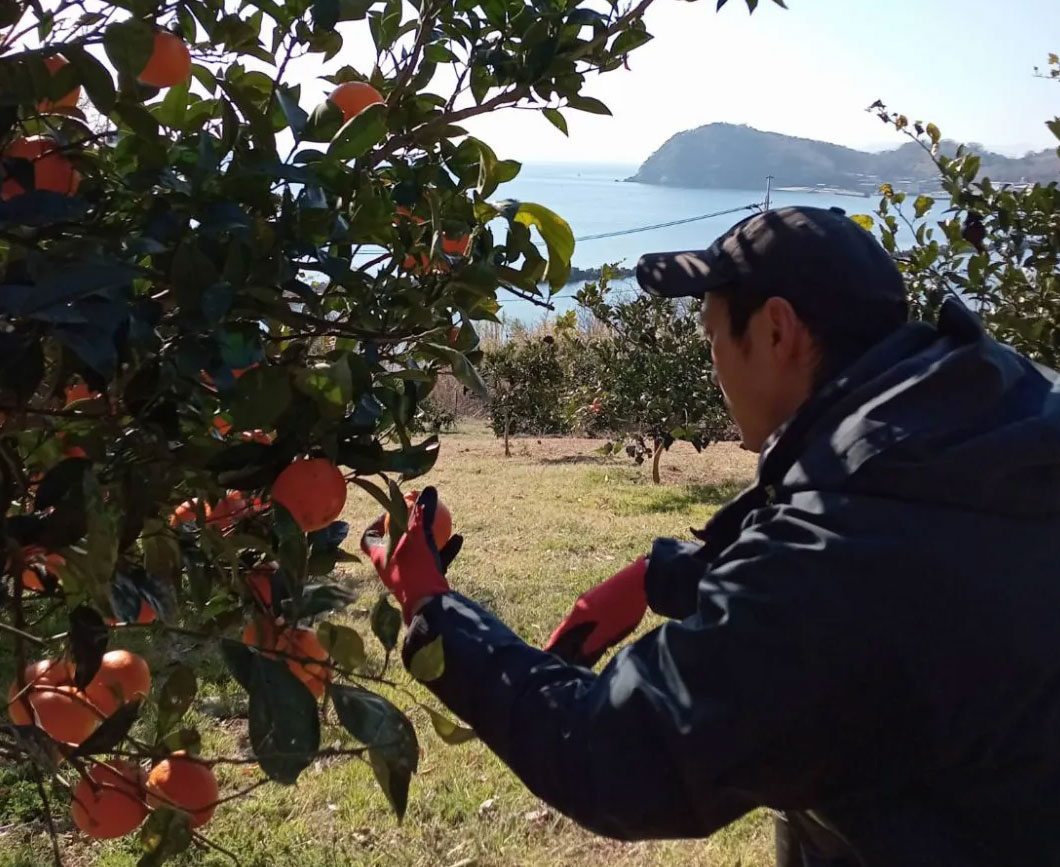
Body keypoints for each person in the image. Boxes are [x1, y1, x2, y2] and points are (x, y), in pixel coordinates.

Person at [361, 206, 1060, 867]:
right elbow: (895, 558)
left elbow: (614, 753)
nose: (713, 364)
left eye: (713, 335)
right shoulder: (997, 418)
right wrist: (658, 575)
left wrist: (433, 612)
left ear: (777, 332)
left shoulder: (837, 557)